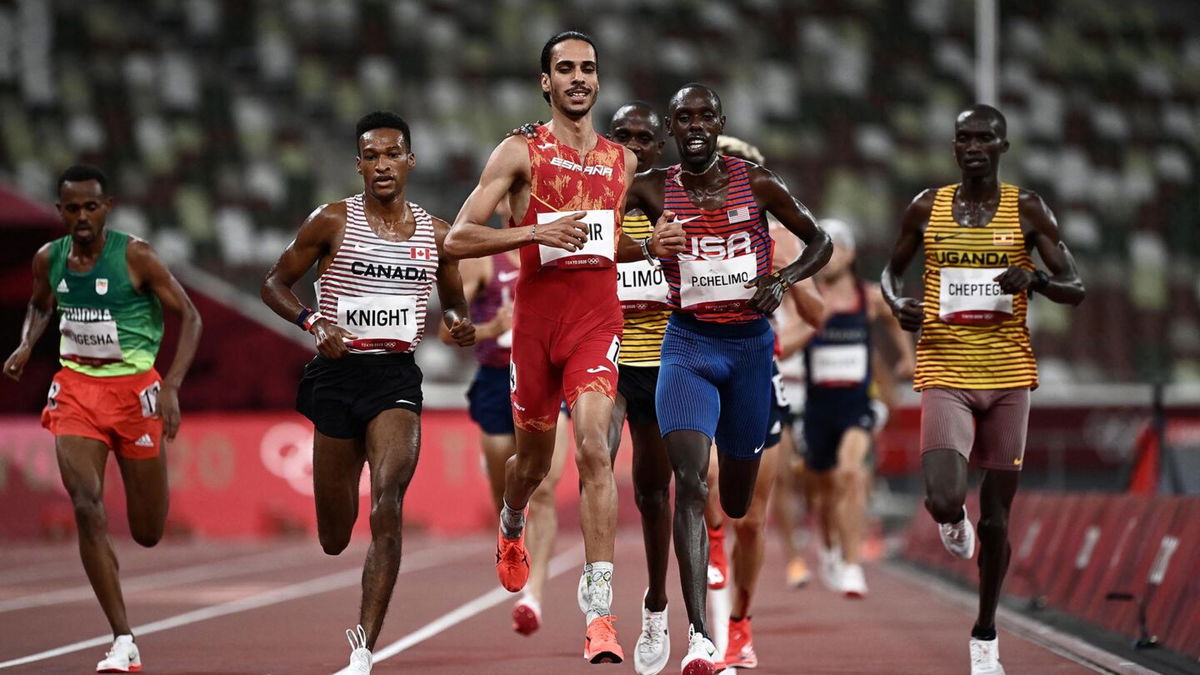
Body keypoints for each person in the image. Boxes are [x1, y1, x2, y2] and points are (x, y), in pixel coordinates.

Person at [444, 31, 685, 665]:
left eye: (588, 69)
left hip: (596, 322)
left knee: (595, 452)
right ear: (546, 83)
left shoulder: (620, 162)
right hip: (535, 329)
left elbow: (604, 243)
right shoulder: (519, 151)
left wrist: (650, 246)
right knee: (527, 467)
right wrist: (534, 229)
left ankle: (599, 613)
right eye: (565, 69)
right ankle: (512, 518)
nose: (578, 78)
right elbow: (459, 237)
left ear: (598, 81)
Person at [624, 84, 831, 675]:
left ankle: (720, 601)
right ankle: (698, 637)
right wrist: (644, 242)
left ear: (719, 122)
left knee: (736, 501)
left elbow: (822, 240)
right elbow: (594, 238)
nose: (693, 125)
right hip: (686, 345)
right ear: (671, 126)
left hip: (748, 352)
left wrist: (784, 279)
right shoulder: (648, 188)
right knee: (688, 484)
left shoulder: (757, 182)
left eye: (703, 116)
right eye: (682, 117)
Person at [261, 111, 475, 674]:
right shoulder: (331, 220)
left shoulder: (436, 233)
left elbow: (453, 300)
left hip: (395, 379)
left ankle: (363, 650)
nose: (382, 164)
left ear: (410, 161)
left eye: (392, 154)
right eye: (371, 156)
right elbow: (273, 283)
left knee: (388, 501)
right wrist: (314, 323)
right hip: (337, 376)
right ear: (359, 164)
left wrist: (456, 322)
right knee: (334, 536)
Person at [881, 104, 1084, 675]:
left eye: (984, 138)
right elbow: (890, 272)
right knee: (944, 496)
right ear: (954, 146)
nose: (973, 146)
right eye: (963, 137)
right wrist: (899, 305)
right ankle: (951, 520)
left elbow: (1076, 286)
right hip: (946, 370)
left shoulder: (1027, 208)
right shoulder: (927, 206)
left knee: (997, 521)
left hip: (1009, 379)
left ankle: (985, 634)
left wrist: (1038, 279)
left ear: (1002, 146)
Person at [4, 164, 203, 673]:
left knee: (147, 531)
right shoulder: (49, 259)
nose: (83, 216)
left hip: (136, 393)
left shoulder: (135, 256)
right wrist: (27, 344)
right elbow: (40, 305)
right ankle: (123, 637)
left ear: (106, 206)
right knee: (87, 504)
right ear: (60, 212)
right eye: (72, 208)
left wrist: (172, 387)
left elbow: (191, 316)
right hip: (75, 390)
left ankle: (124, 629)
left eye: (91, 206)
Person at [698, 134, 827, 670]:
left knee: (753, 519)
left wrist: (784, 279)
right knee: (702, 473)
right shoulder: (689, 225)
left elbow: (816, 315)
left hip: (757, 374)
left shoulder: (777, 238)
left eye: (744, 169)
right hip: (702, 366)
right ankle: (713, 539)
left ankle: (740, 624)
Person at [444, 248, 573, 636]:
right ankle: (511, 527)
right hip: (497, 380)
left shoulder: (557, 251)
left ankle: (532, 595)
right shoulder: (484, 260)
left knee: (545, 487)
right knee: (509, 498)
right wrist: (492, 328)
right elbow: (447, 332)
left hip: (548, 378)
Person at [803, 218, 914, 599]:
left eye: (831, 249)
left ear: (848, 253)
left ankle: (852, 564)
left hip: (856, 405)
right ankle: (831, 547)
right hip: (816, 409)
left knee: (851, 474)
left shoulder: (869, 298)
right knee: (823, 491)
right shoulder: (808, 295)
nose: (824, 257)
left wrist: (906, 356)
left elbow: (894, 319)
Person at [603, 101, 674, 675]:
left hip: (665, 360)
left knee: (654, 494)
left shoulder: (678, 202)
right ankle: (598, 605)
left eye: (643, 137)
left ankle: (656, 605)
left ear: (659, 146)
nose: (632, 145)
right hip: (604, 354)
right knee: (593, 461)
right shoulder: (596, 197)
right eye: (622, 135)